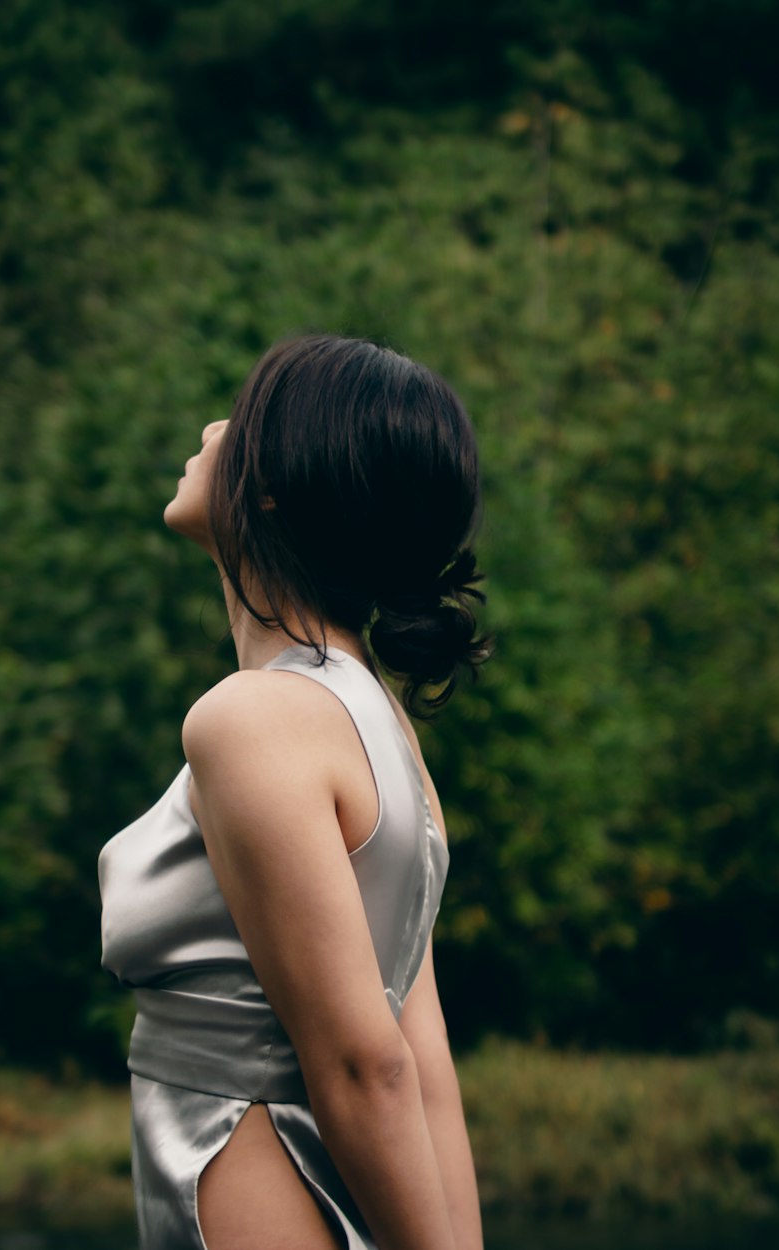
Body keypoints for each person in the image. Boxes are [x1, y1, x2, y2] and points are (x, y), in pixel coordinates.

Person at [99, 333, 489, 1250]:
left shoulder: (253, 720)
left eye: (240, 415)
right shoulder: (378, 723)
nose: (209, 428)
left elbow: (370, 1065)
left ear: (276, 486)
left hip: (245, 1180)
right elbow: (422, 1060)